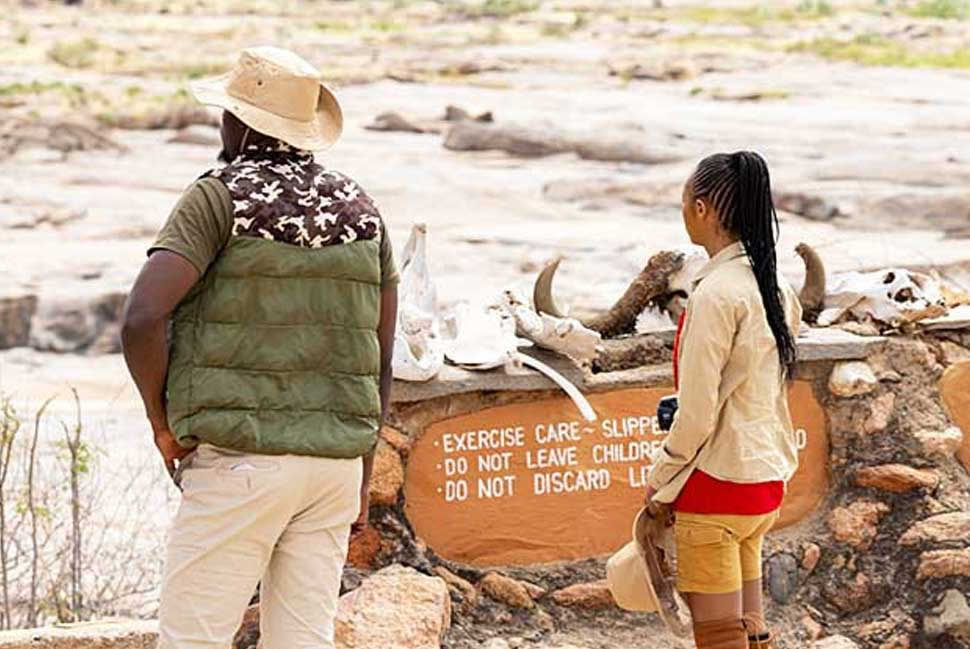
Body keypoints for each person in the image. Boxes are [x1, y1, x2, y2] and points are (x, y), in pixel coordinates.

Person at [121, 46, 399, 649]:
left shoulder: (220, 197)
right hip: (332, 469)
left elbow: (142, 317)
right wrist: (361, 471)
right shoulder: (364, 210)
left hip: (241, 462)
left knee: (191, 639)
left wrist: (160, 423)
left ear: (239, 123)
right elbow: (379, 356)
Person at [645, 151, 802, 649]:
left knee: (718, 639)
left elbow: (695, 416)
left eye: (685, 201)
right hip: (763, 483)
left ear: (703, 209)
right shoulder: (775, 285)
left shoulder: (714, 294)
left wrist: (659, 482)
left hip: (715, 488)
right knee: (751, 630)